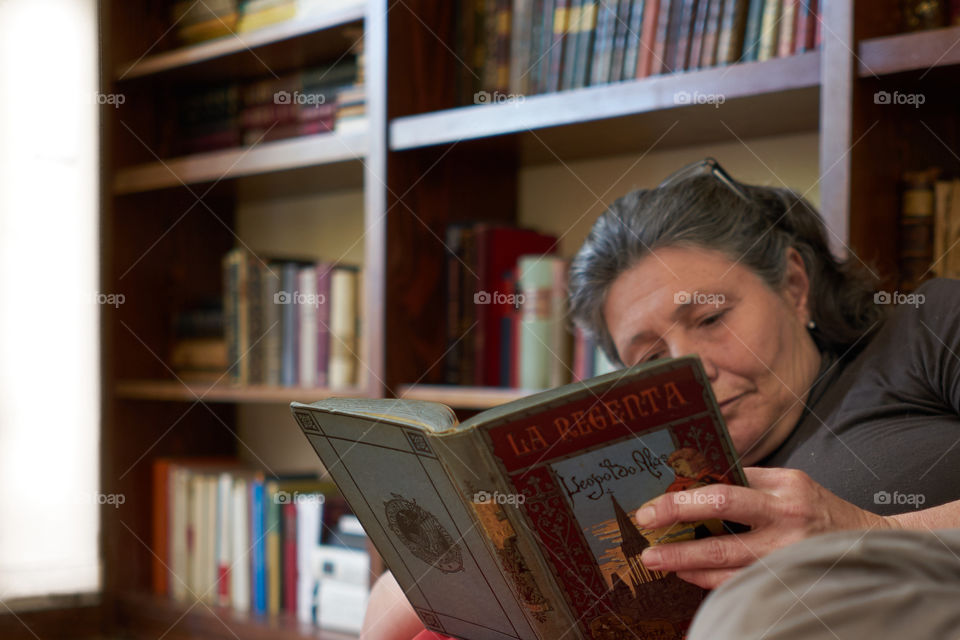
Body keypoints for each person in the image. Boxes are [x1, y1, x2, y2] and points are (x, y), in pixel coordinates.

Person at [361, 158, 960, 640]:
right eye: (648, 360)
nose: (689, 372)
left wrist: (862, 530)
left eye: (710, 317)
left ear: (795, 286)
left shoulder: (924, 329)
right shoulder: (635, 475)